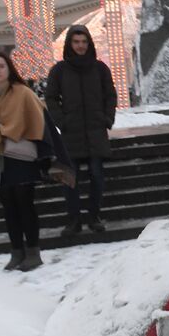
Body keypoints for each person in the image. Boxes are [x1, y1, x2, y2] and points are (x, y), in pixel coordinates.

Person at [0, 52, 70, 271]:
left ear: (9, 68)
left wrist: (47, 155)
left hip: (22, 159)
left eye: (1, 66)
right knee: (9, 207)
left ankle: (33, 253)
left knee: (24, 205)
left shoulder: (23, 94)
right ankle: (16, 252)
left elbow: (41, 122)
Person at [45, 26, 117, 235]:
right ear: (70, 44)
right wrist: (62, 121)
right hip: (71, 133)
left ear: (89, 44)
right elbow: (51, 97)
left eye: (84, 42)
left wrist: (107, 118)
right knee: (70, 180)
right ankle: (74, 220)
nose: (80, 46)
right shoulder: (59, 70)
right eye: (76, 42)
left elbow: (110, 95)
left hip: (95, 131)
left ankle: (94, 216)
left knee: (96, 176)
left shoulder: (100, 68)